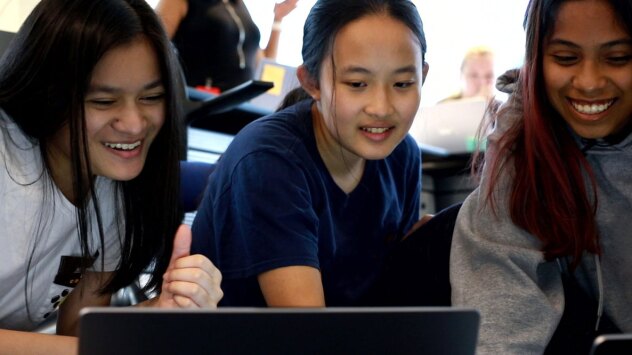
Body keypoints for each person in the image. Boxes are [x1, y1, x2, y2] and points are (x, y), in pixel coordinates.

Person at [0, 0, 222, 353]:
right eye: (103, 102)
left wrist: (161, 309)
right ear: (46, 92)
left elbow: (78, 329)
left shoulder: (114, 188)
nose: (134, 124)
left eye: (152, 97)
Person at [191, 0, 431, 307]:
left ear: (423, 76)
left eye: (403, 83)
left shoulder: (402, 154)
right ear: (312, 82)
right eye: (357, 84)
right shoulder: (269, 159)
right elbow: (308, 331)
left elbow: (390, 302)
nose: (381, 108)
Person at [450, 0, 632, 353]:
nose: (589, 83)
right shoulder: (523, 139)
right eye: (565, 58)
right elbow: (500, 311)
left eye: (618, 58)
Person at [155, 0, 299, 92]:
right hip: (202, 101)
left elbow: (265, 63)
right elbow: (152, 45)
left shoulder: (239, 6)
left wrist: (278, 19)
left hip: (241, 103)